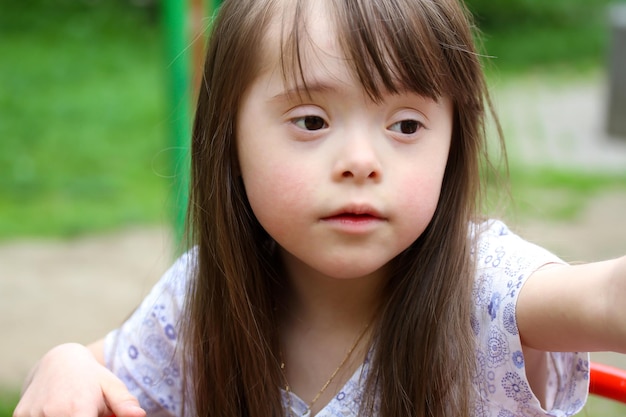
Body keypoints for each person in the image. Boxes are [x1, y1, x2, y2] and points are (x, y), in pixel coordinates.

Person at [13, 0, 626, 416]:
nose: (361, 161)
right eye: (312, 120)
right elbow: (97, 368)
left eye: (406, 125)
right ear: (230, 139)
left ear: (452, 145)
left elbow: (605, 299)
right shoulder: (200, 297)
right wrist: (61, 362)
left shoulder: (487, 287)